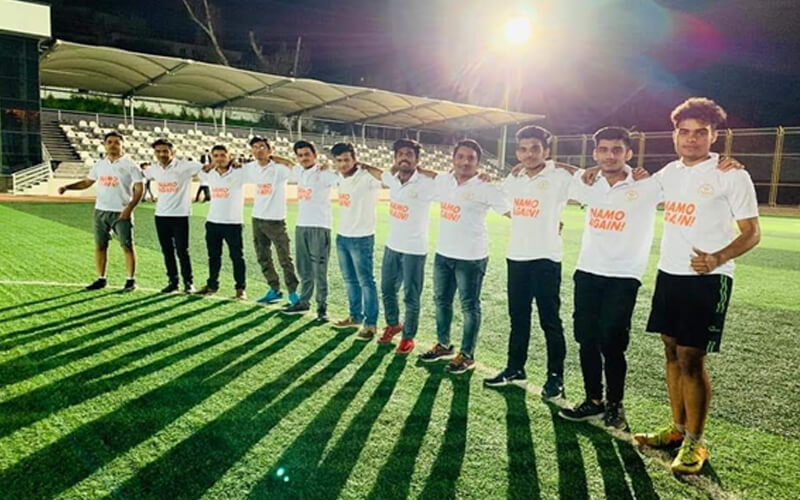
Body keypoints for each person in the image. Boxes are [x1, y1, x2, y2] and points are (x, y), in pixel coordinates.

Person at [634, 97, 760, 474]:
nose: (691, 139)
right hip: (669, 273)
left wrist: (718, 257)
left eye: (700, 132)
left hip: (707, 279)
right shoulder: (668, 173)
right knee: (671, 349)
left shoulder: (731, 175)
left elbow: (752, 232)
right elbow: (632, 187)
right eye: (685, 132)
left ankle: (695, 441)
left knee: (691, 356)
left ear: (714, 135)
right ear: (674, 135)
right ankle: (676, 429)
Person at [557, 127, 662, 431]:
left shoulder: (647, 185)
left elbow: (687, 182)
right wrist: (585, 170)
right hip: (588, 271)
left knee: (612, 341)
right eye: (603, 150)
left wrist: (726, 163)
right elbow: (557, 169)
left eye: (617, 150)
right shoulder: (589, 182)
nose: (610, 155)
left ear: (629, 153)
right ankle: (593, 399)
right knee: (586, 338)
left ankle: (615, 404)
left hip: (624, 275)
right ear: (595, 153)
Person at [483, 125, 571, 400]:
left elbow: (590, 178)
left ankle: (555, 377)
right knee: (518, 318)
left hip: (546, 258)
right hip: (517, 257)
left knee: (550, 320)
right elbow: (507, 206)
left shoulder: (559, 176)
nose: (529, 154)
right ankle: (515, 368)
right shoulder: (515, 178)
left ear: (546, 150)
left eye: (535, 148)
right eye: (523, 149)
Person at [418, 139, 511, 374]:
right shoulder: (444, 180)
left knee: (469, 306)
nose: (465, 162)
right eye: (460, 157)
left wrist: (548, 224)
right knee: (441, 301)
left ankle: (467, 355)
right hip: (443, 254)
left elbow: (511, 212)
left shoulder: (485, 187)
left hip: (471, 258)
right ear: (453, 159)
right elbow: (429, 174)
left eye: (471, 158)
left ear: (478, 162)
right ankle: (443, 345)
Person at [58, 131, 143, 292]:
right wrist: (67, 187)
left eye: (117, 142)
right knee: (100, 246)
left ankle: (130, 280)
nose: (113, 145)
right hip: (101, 211)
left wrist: (129, 208)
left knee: (127, 246)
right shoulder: (99, 165)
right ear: (104, 145)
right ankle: (101, 279)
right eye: (109, 142)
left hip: (121, 212)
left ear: (122, 145)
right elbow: (87, 182)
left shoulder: (131, 165)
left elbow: (139, 189)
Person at [376, 138, 437, 355]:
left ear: (417, 160)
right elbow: (382, 174)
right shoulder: (392, 180)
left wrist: (424, 171)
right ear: (394, 158)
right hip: (392, 245)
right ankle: (393, 324)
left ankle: (408, 337)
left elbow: (448, 180)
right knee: (387, 289)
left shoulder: (426, 184)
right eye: (400, 154)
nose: (404, 158)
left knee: (411, 296)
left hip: (414, 249)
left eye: (409, 155)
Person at [329, 142, 382, 341]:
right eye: (339, 161)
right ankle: (354, 316)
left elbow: (386, 177)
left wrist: (366, 166)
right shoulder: (339, 178)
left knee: (366, 282)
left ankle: (371, 324)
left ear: (355, 159)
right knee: (350, 280)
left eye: (347, 160)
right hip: (342, 236)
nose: (343, 164)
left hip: (362, 238)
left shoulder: (367, 177)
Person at [281, 140, 339, 321]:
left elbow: (342, 179)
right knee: (304, 268)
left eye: (307, 154)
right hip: (301, 226)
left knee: (319, 271)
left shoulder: (324, 174)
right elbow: (285, 162)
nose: (304, 158)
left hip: (320, 227)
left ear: (315, 155)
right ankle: (303, 302)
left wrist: (331, 165)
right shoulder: (298, 171)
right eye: (300, 155)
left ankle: (322, 308)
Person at [245, 136, 300, 306]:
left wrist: (280, 159)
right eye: (255, 147)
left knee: (284, 258)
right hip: (257, 219)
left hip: (276, 220)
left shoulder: (279, 169)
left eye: (262, 146)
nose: (258, 150)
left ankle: (293, 292)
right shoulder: (250, 168)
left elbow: (297, 169)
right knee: (263, 257)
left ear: (270, 150)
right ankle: (274, 289)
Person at [145, 138, 204, 293]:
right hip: (161, 215)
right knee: (167, 251)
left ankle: (188, 282)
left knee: (182, 251)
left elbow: (207, 167)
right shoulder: (153, 169)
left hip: (180, 215)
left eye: (165, 151)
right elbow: (142, 175)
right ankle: (173, 281)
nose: (161, 154)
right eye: (158, 151)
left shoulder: (185, 166)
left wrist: (234, 163)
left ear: (173, 152)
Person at [195, 145, 248, 299]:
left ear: (229, 156)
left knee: (237, 257)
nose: (219, 158)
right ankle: (212, 285)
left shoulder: (239, 172)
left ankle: (240, 288)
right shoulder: (209, 174)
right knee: (213, 256)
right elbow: (199, 171)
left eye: (223, 155)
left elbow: (254, 168)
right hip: (213, 222)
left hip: (233, 223)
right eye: (216, 155)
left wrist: (236, 163)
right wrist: (211, 165)